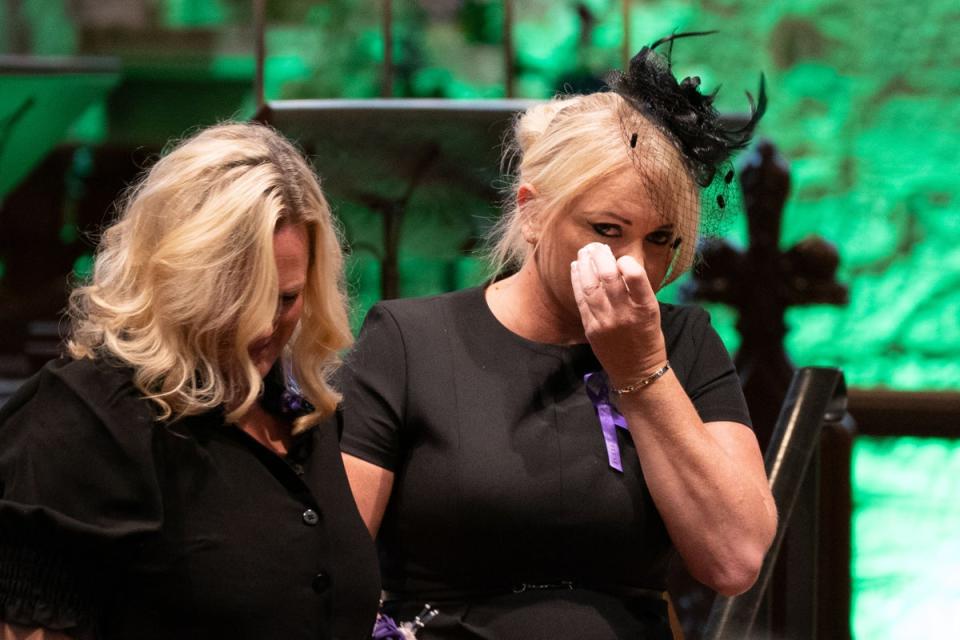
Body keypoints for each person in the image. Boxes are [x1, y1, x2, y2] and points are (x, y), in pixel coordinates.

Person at [338, 33, 778, 639]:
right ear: (533, 212)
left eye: (659, 240)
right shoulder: (411, 341)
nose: (633, 266)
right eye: (607, 229)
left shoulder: (684, 341)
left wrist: (642, 370)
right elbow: (332, 572)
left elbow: (734, 560)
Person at [0, 123, 380, 640]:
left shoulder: (305, 415)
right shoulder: (78, 425)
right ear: (171, 276)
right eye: (239, 300)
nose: (265, 328)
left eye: (286, 299)